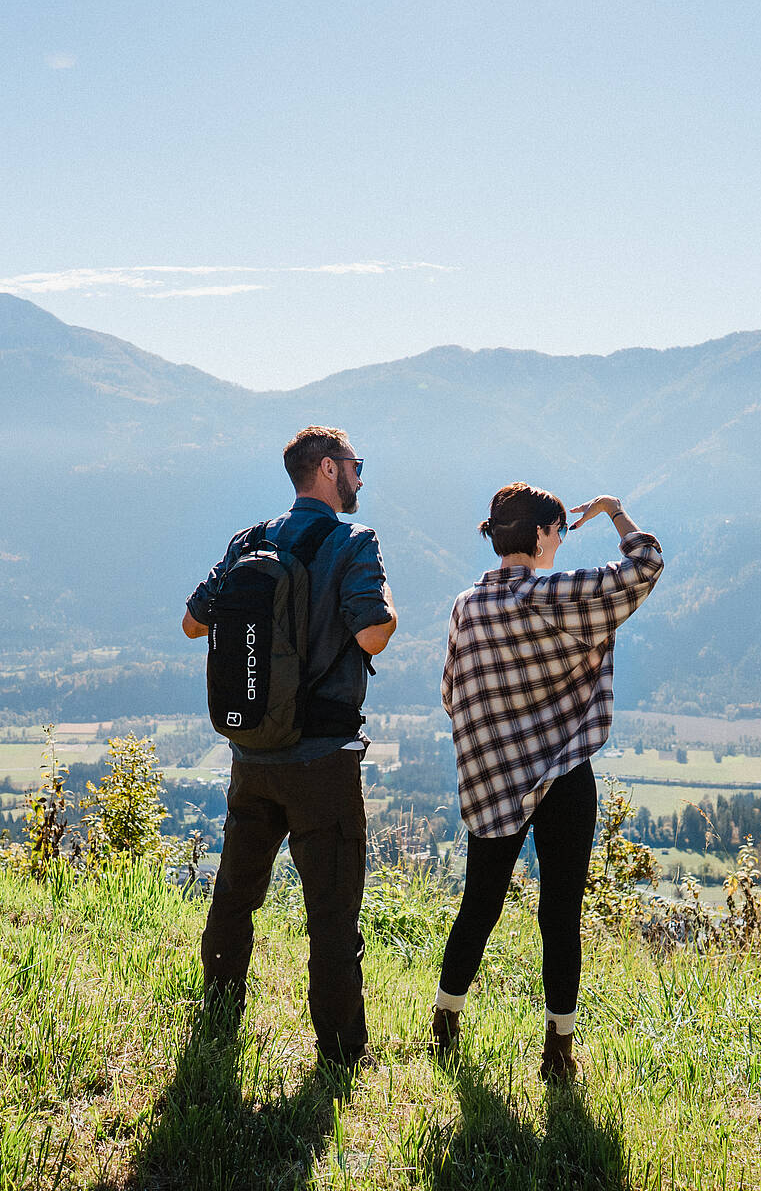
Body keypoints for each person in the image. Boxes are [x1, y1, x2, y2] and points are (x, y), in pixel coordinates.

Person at [182, 426, 397, 1067]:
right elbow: (374, 634)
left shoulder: (247, 541)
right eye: (354, 464)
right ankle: (340, 1052)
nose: (359, 475)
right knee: (331, 911)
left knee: (235, 894)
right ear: (328, 468)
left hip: (252, 754)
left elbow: (192, 623)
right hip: (322, 761)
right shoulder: (353, 541)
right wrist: (389, 602)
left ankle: (218, 1014)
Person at [431, 485, 663, 1079]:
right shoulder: (559, 595)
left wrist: (498, 737)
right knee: (560, 913)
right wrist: (613, 511)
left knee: (479, 902)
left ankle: (445, 1020)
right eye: (558, 530)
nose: (560, 540)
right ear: (538, 534)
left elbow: (453, 692)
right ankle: (559, 1050)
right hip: (564, 772)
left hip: (493, 776)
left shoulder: (467, 605)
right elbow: (645, 564)